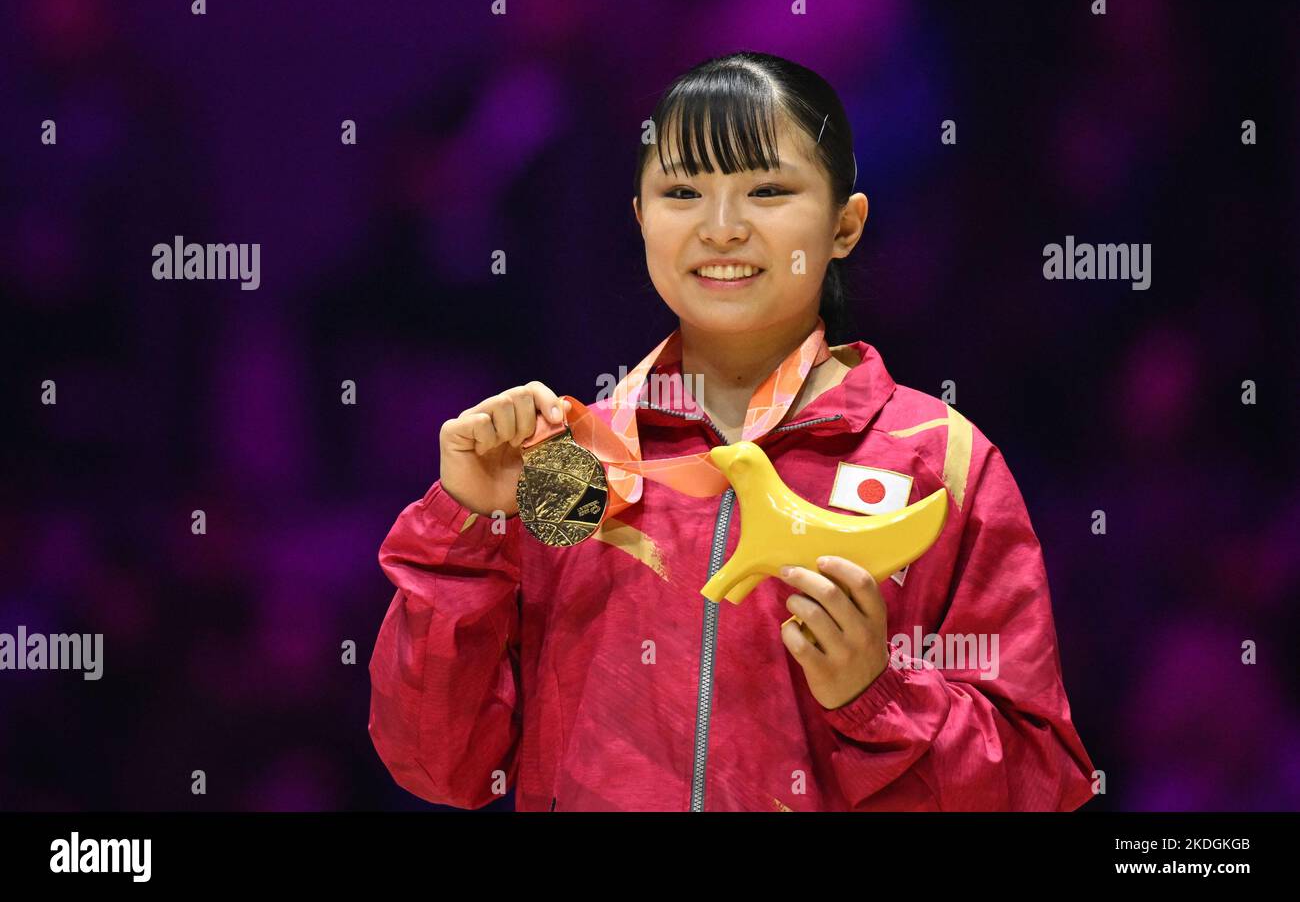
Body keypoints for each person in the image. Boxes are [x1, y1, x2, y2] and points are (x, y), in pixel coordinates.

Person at [367, 51, 1096, 811]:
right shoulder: (569, 462)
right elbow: (440, 765)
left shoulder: (939, 461)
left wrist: (875, 698)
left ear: (845, 225)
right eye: (682, 191)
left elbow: (1037, 787)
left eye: (769, 190)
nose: (720, 228)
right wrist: (467, 528)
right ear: (641, 219)